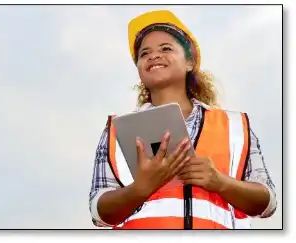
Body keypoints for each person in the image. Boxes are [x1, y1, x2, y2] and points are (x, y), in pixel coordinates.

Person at [88, 10, 277, 229]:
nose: (153, 55)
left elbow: (267, 203)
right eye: (144, 53)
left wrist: (220, 182)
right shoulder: (115, 130)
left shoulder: (236, 126)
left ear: (189, 63)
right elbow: (99, 212)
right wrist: (139, 189)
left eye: (166, 48)